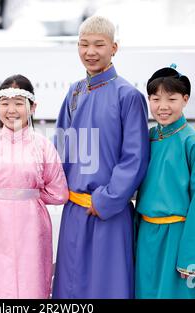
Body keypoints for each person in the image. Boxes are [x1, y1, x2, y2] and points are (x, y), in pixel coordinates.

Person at [52, 16, 150, 298]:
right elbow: (61, 147)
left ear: (114, 48)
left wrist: (106, 199)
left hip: (109, 212)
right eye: (83, 44)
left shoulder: (128, 95)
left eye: (99, 44)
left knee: (108, 288)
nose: (90, 52)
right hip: (74, 211)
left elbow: (135, 157)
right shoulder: (74, 92)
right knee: (69, 288)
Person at [0, 74, 68, 299]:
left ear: (32, 107)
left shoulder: (43, 146)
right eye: (5, 103)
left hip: (32, 225)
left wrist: (30, 198)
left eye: (19, 103)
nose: (11, 110)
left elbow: (59, 193)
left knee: (32, 279)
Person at [135, 65, 195, 298]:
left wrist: (192, 257)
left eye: (171, 98)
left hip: (179, 238)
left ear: (185, 99)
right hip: (148, 237)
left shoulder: (193, 143)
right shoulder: (148, 138)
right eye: (155, 98)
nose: (163, 106)